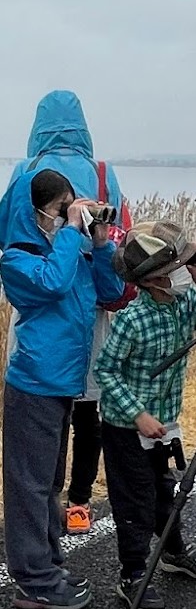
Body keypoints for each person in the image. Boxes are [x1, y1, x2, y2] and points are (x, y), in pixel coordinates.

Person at [93, 220, 196, 609]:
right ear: (155, 280)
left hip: (164, 425)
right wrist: (137, 414)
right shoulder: (132, 319)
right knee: (136, 500)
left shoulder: (184, 304)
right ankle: (132, 574)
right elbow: (105, 370)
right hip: (126, 428)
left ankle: (173, 552)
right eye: (177, 269)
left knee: (165, 491)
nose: (183, 274)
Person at [0, 169, 123, 609]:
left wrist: (101, 242)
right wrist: (72, 230)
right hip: (33, 383)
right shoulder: (17, 259)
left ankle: (47, 565)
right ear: (33, 212)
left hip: (63, 383)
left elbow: (111, 291)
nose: (66, 216)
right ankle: (34, 580)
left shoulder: (71, 251)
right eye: (59, 210)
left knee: (49, 483)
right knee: (29, 486)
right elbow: (51, 284)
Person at [7, 89, 130, 535]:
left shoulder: (26, 171)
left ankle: (51, 508)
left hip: (41, 316)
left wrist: (66, 229)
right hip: (88, 307)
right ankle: (78, 503)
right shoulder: (103, 173)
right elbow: (120, 236)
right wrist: (91, 235)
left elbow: (12, 231)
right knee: (87, 411)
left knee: (45, 416)